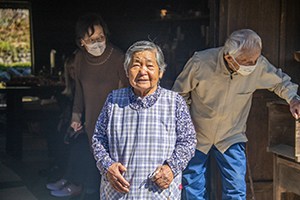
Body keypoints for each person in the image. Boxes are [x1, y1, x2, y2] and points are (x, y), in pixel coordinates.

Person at [172, 29, 300, 199]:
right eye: (246, 61)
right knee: (192, 186)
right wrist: (186, 124)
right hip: (198, 133)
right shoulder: (200, 62)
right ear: (228, 57)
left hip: (231, 135)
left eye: (255, 59)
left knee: (236, 188)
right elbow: (179, 94)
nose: (252, 65)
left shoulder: (258, 65)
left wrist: (293, 99)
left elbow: (280, 82)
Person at [91, 40, 197, 199]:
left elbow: (188, 140)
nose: (142, 71)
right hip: (119, 193)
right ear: (127, 71)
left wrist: (171, 168)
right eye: (136, 65)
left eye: (150, 65)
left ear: (160, 72)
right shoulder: (113, 100)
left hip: (160, 193)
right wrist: (107, 167)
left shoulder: (175, 102)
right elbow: (98, 138)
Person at [47, 12, 129, 199]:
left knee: (110, 176)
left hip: (114, 126)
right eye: (91, 39)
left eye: (101, 37)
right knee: (94, 168)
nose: (97, 43)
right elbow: (80, 91)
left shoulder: (118, 58)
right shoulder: (80, 59)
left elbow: (126, 94)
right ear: (81, 41)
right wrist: (76, 116)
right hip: (91, 123)